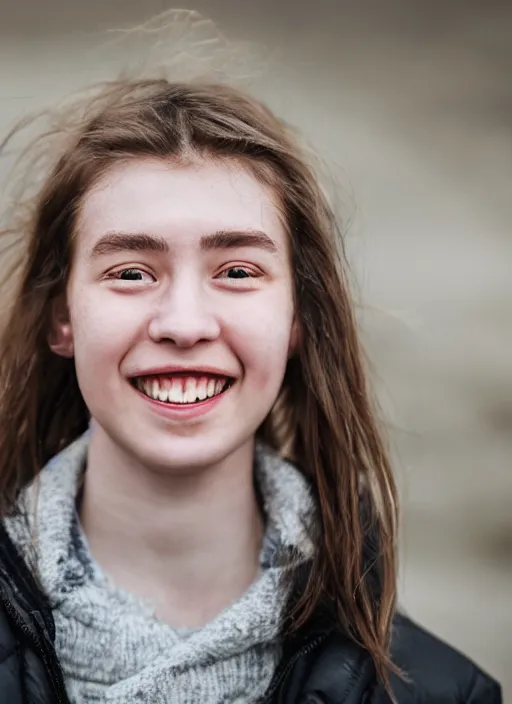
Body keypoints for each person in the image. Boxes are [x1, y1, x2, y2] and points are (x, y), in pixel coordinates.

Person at [0, 75, 501, 704]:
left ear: (296, 319)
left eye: (237, 271)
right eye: (130, 272)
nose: (184, 323)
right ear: (60, 318)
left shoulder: (445, 693)